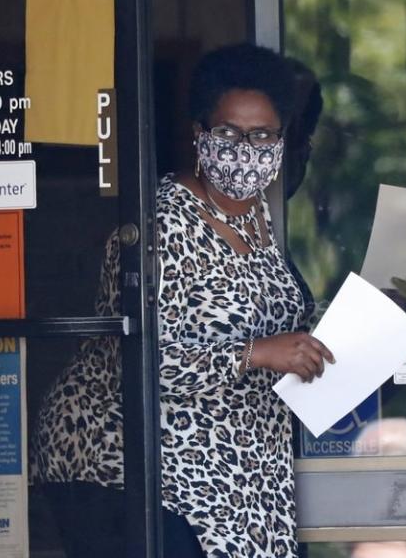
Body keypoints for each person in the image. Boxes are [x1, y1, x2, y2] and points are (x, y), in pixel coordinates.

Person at [32, 43, 334, 557]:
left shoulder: (257, 215)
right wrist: (256, 352)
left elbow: (274, 318)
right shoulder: (161, 224)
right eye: (228, 133)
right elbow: (138, 357)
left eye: (262, 135)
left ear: (282, 140)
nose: (246, 149)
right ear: (200, 135)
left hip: (231, 472)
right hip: (133, 472)